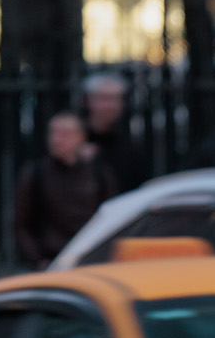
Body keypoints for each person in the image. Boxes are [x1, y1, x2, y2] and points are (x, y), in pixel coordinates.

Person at [14, 111, 116, 268]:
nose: (56, 139)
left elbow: (110, 217)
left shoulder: (98, 173)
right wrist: (38, 260)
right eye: (53, 133)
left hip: (90, 258)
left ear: (81, 137)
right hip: (50, 259)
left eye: (65, 134)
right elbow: (21, 224)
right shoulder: (35, 173)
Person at [82, 72, 150, 194]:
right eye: (104, 98)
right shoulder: (74, 138)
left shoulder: (129, 145)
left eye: (115, 99)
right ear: (89, 100)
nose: (110, 106)